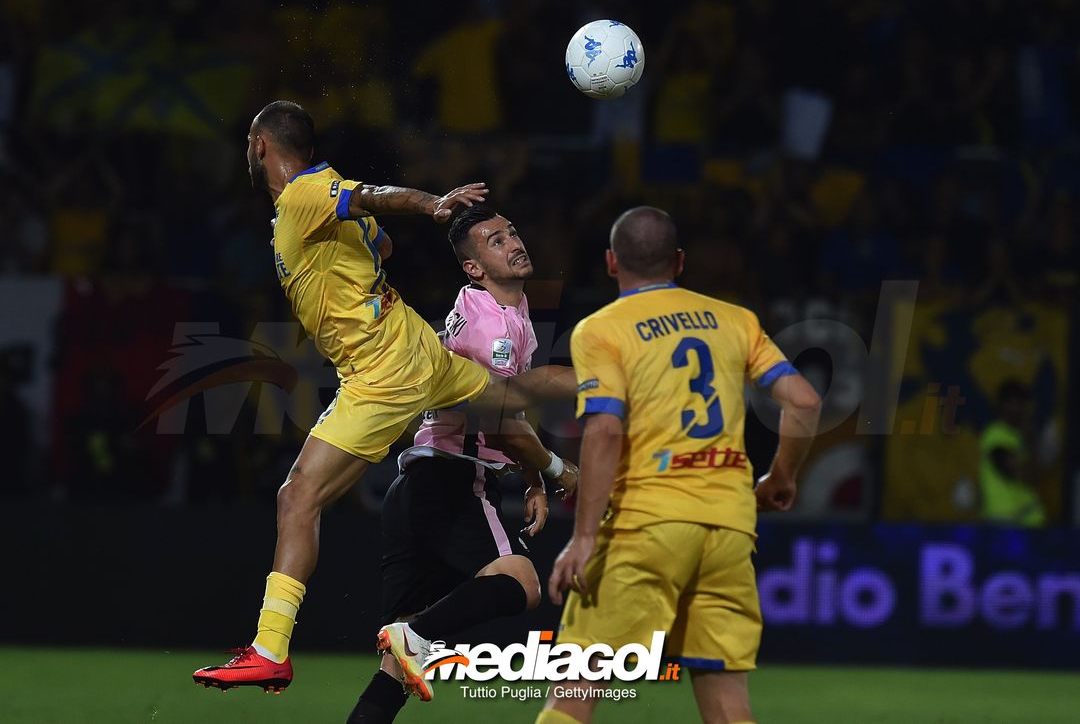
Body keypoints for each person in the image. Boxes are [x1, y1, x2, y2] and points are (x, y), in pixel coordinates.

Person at [193, 101, 575, 693]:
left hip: (381, 370)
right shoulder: (313, 210)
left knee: (298, 496)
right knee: (502, 400)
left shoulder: (303, 193)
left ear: (260, 144)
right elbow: (382, 243)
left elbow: (366, 196)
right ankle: (564, 462)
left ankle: (270, 646)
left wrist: (430, 202)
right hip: (419, 348)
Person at [535, 207, 822, 724]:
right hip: (730, 530)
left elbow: (603, 429)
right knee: (729, 706)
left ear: (610, 262)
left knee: (575, 688)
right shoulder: (737, 320)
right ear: (680, 262)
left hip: (648, 524)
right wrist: (780, 477)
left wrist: (583, 538)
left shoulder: (601, 329)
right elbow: (803, 401)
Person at [347, 205, 578, 721]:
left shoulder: (502, 311)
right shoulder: (489, 329)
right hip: (453, 479)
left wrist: (535, 481)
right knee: (522, 583)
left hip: (418, 483)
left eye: (512, 231)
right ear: (473, 267)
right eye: (495, 241)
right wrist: (560, 472)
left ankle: (411, 640)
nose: (513, 242)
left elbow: (510, 410)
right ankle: (417, 637)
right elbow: (497, 420)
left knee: (395, 669)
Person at [979, 380, 1047, 527]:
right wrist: (1031, 442)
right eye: (1020, 403)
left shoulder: (1017, 436)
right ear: (1005, 404)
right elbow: (1024, 475)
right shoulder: (995, 434)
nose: (1024, 409)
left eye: (1024, 403)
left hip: (1025, 520)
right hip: (1005, 523)